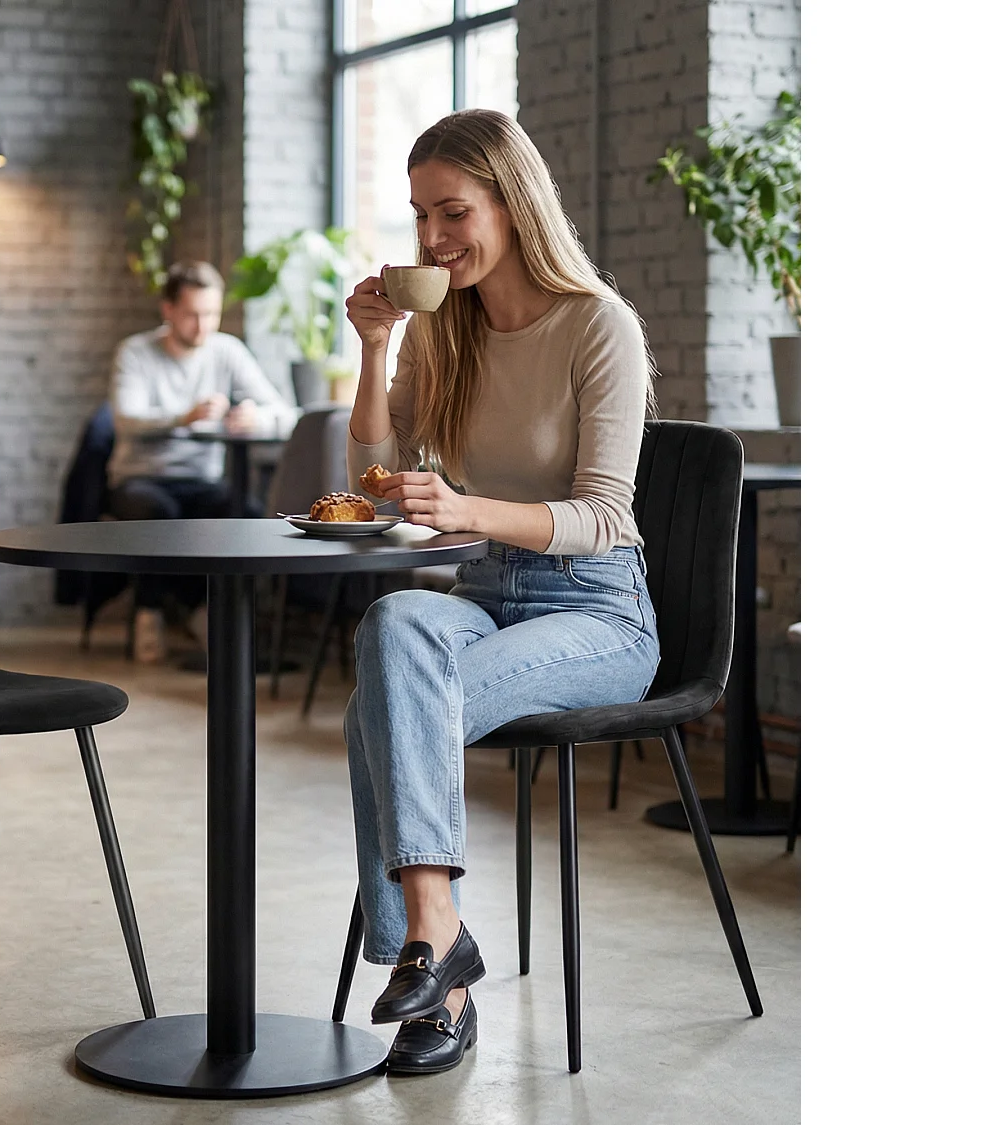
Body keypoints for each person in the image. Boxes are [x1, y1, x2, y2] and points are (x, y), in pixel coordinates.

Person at [341, 109, 661, 1076]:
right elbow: (369, 480)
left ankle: (435, 977)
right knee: (395, 619)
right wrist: (374, 348)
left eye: (454, 212)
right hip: (484, 589)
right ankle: (439, 936)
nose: (433, 240)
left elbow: (604, 515)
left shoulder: (597, 325)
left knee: (381, 714)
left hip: (597, 608)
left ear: (513, 205)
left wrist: (471, 503)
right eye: (419, 217)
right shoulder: (446, 331)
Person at [106, 260, 297, 663]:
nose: (203, 325)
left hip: (200, 479)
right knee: (158, 515)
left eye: (211, 313)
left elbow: (284, 410)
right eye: (192, 314)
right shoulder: (136, 353)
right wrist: (185, 416)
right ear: (168, 310)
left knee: (243, 513)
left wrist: (255, 416)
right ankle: (151, 611)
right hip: (142, 477)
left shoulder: (227, 351)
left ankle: (210, 614)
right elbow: (126, 418)